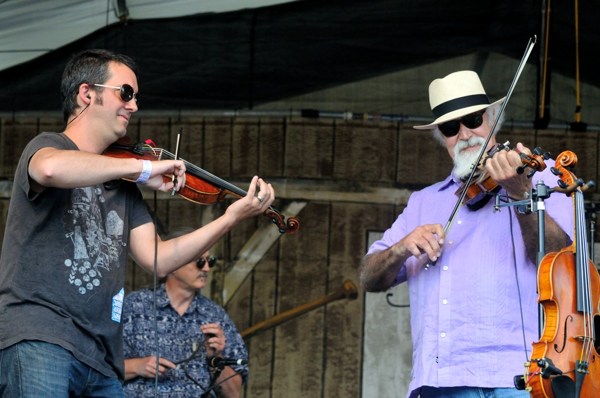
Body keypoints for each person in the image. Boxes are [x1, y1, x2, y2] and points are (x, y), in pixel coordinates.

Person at [0, 49, 273, 397]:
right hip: (42, 336)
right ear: (87, 93)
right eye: (125, 93)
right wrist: (143, 169)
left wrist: (231, 217)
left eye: (135, 97)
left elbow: (158, 255)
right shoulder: (48, 146)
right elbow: (50, 169)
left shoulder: (123, 186)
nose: (133, 106)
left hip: (101, 358)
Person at [358, 70, 574, 398]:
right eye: (450, 127)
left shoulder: (540, 180)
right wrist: (401, 247)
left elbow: (560, 261)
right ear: (442, 138)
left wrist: (520, 195)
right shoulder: (423, 202)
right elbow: (369, 277)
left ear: (492, 121)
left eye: (473, 119)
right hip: (440, 379)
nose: (464, 134)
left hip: (520, 374)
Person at [122, 228, 248, 398]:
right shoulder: (133, 307)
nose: (206, 268)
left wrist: (216, 359)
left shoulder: (216, 316)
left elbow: (233, 394)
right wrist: (137, 366)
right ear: (173, 264)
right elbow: (94, 369)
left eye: (209, 261)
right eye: (198, 261)